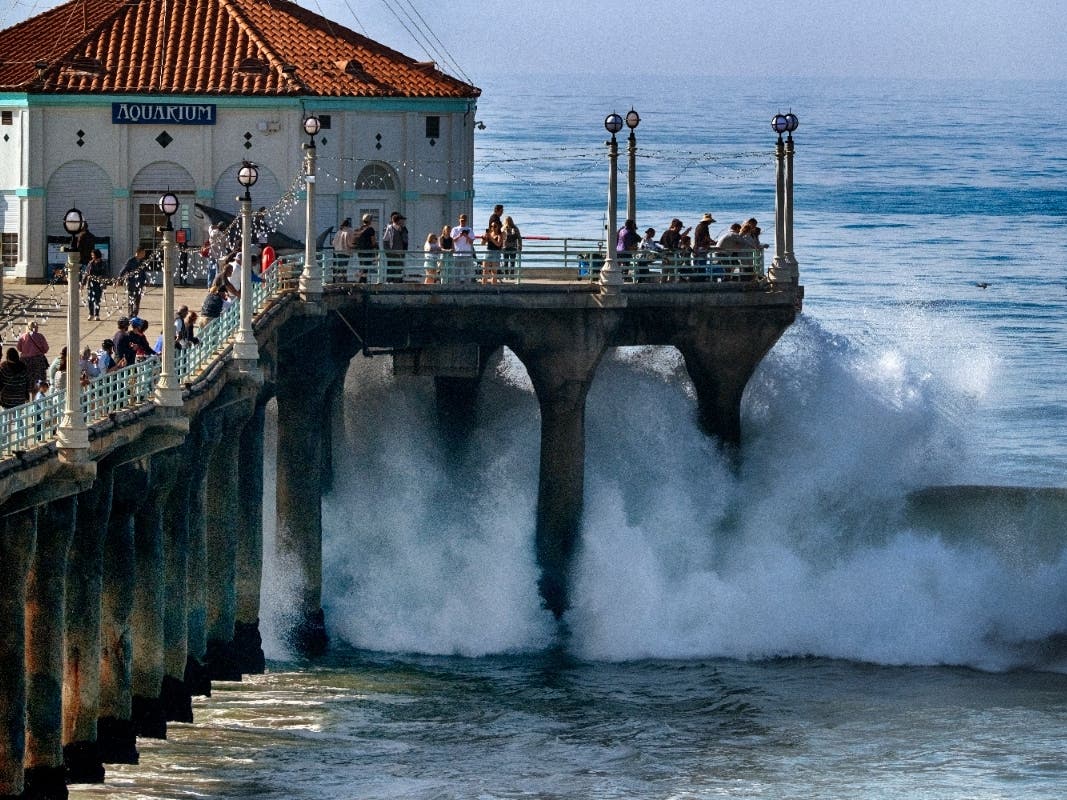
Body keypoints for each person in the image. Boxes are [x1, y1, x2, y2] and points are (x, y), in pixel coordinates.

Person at [16, 321, 49, 388]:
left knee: (26, 381)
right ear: (36, 328)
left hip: (25, 361)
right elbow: (46, 348)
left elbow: (19, 348)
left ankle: (27, 395)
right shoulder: (40, 336)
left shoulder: (22, 337)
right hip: (38, 361)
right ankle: (38, 396)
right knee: (38, 382)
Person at [118, 246, 149, 316]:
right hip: (131, 283)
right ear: (138, 253)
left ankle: (135, 315)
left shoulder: (142, 262)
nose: (144, 255)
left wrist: (146, 280)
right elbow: (123, 270)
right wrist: (119, 279)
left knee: (137, 301)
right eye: (143, 253)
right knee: (131, 300)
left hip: (140, 284)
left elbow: (143, 272)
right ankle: (130, 315)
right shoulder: (131, 261)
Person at [81, 248, 108, 320]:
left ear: (97, 255)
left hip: (99, 284)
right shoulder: (90, 263)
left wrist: (101, 278)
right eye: (92, 255)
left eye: (93, 255)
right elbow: (86, 274)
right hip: (91, 284)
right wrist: (83, 283)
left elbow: (105, 273)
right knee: (90, 300)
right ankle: (91, 314)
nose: (92, 256)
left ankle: (97, 315)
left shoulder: (103, 263)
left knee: (97, 300)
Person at [381, 211, 409, 282]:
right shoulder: (389, 228)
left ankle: (398, 282)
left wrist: (404, 251)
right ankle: (390, 282)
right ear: (398, 221)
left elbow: (405, 241)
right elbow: (385, 240)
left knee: (399, 269)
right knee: (391, 268)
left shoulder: (403, 229)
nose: (403, 221)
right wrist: (388, 252)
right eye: (402, 220)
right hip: (392, 253)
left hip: (400, 253)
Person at [450, 214, 476, 283]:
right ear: (459, 220)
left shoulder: (469, 229)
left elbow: (471, 241)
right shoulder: (455, 229)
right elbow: (452, 240)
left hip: (467, 254)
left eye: (464, 221)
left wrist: (466, 236)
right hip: (457, 254)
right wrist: (459, 235)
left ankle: (467, 286)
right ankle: (456, 286)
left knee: (467, 272)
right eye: (461, 220)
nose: (463, 222)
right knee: (456, 272)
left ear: (466, 221)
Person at [353, 213, 377, 282]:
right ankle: (362, 281)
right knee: (366, 267)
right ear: (370, 221)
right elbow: (373, 241)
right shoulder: (370, 229)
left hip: (360, 251)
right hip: (368, 251)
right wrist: (375, 248)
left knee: (362, 266)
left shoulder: (360, 229)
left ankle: (362, 280)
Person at [692, 212, 716, 278]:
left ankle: (695, 277)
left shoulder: (698, 226)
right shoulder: (705, 227)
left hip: (696, 247)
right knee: (702, 263)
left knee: (696, 263)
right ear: (708, 221)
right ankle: (702, 277)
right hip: (701, 248)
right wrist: (713, 242)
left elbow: (701, 238)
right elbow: (706, 238)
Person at [481, 217, 504, 284]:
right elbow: (482, 244)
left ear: (498, 227)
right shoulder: (489, 234)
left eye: (494, 226)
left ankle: (493, 287)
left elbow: (498, 244)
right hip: (488, 252)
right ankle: (483, 287)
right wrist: (484, 238)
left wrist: (491, 238)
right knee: (485, 271)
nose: (493, 228)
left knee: (494, 272)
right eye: (491, 226)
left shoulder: (500, 235)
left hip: (496, 253)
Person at [331, 217, 354, 282]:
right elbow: (350, 243)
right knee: (344, 267)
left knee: (339, 266)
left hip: (338, 252)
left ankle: (338, 280)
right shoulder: (349, 231)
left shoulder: (338, 232)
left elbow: (333, 243)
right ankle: (343, 280)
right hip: (346, 252)